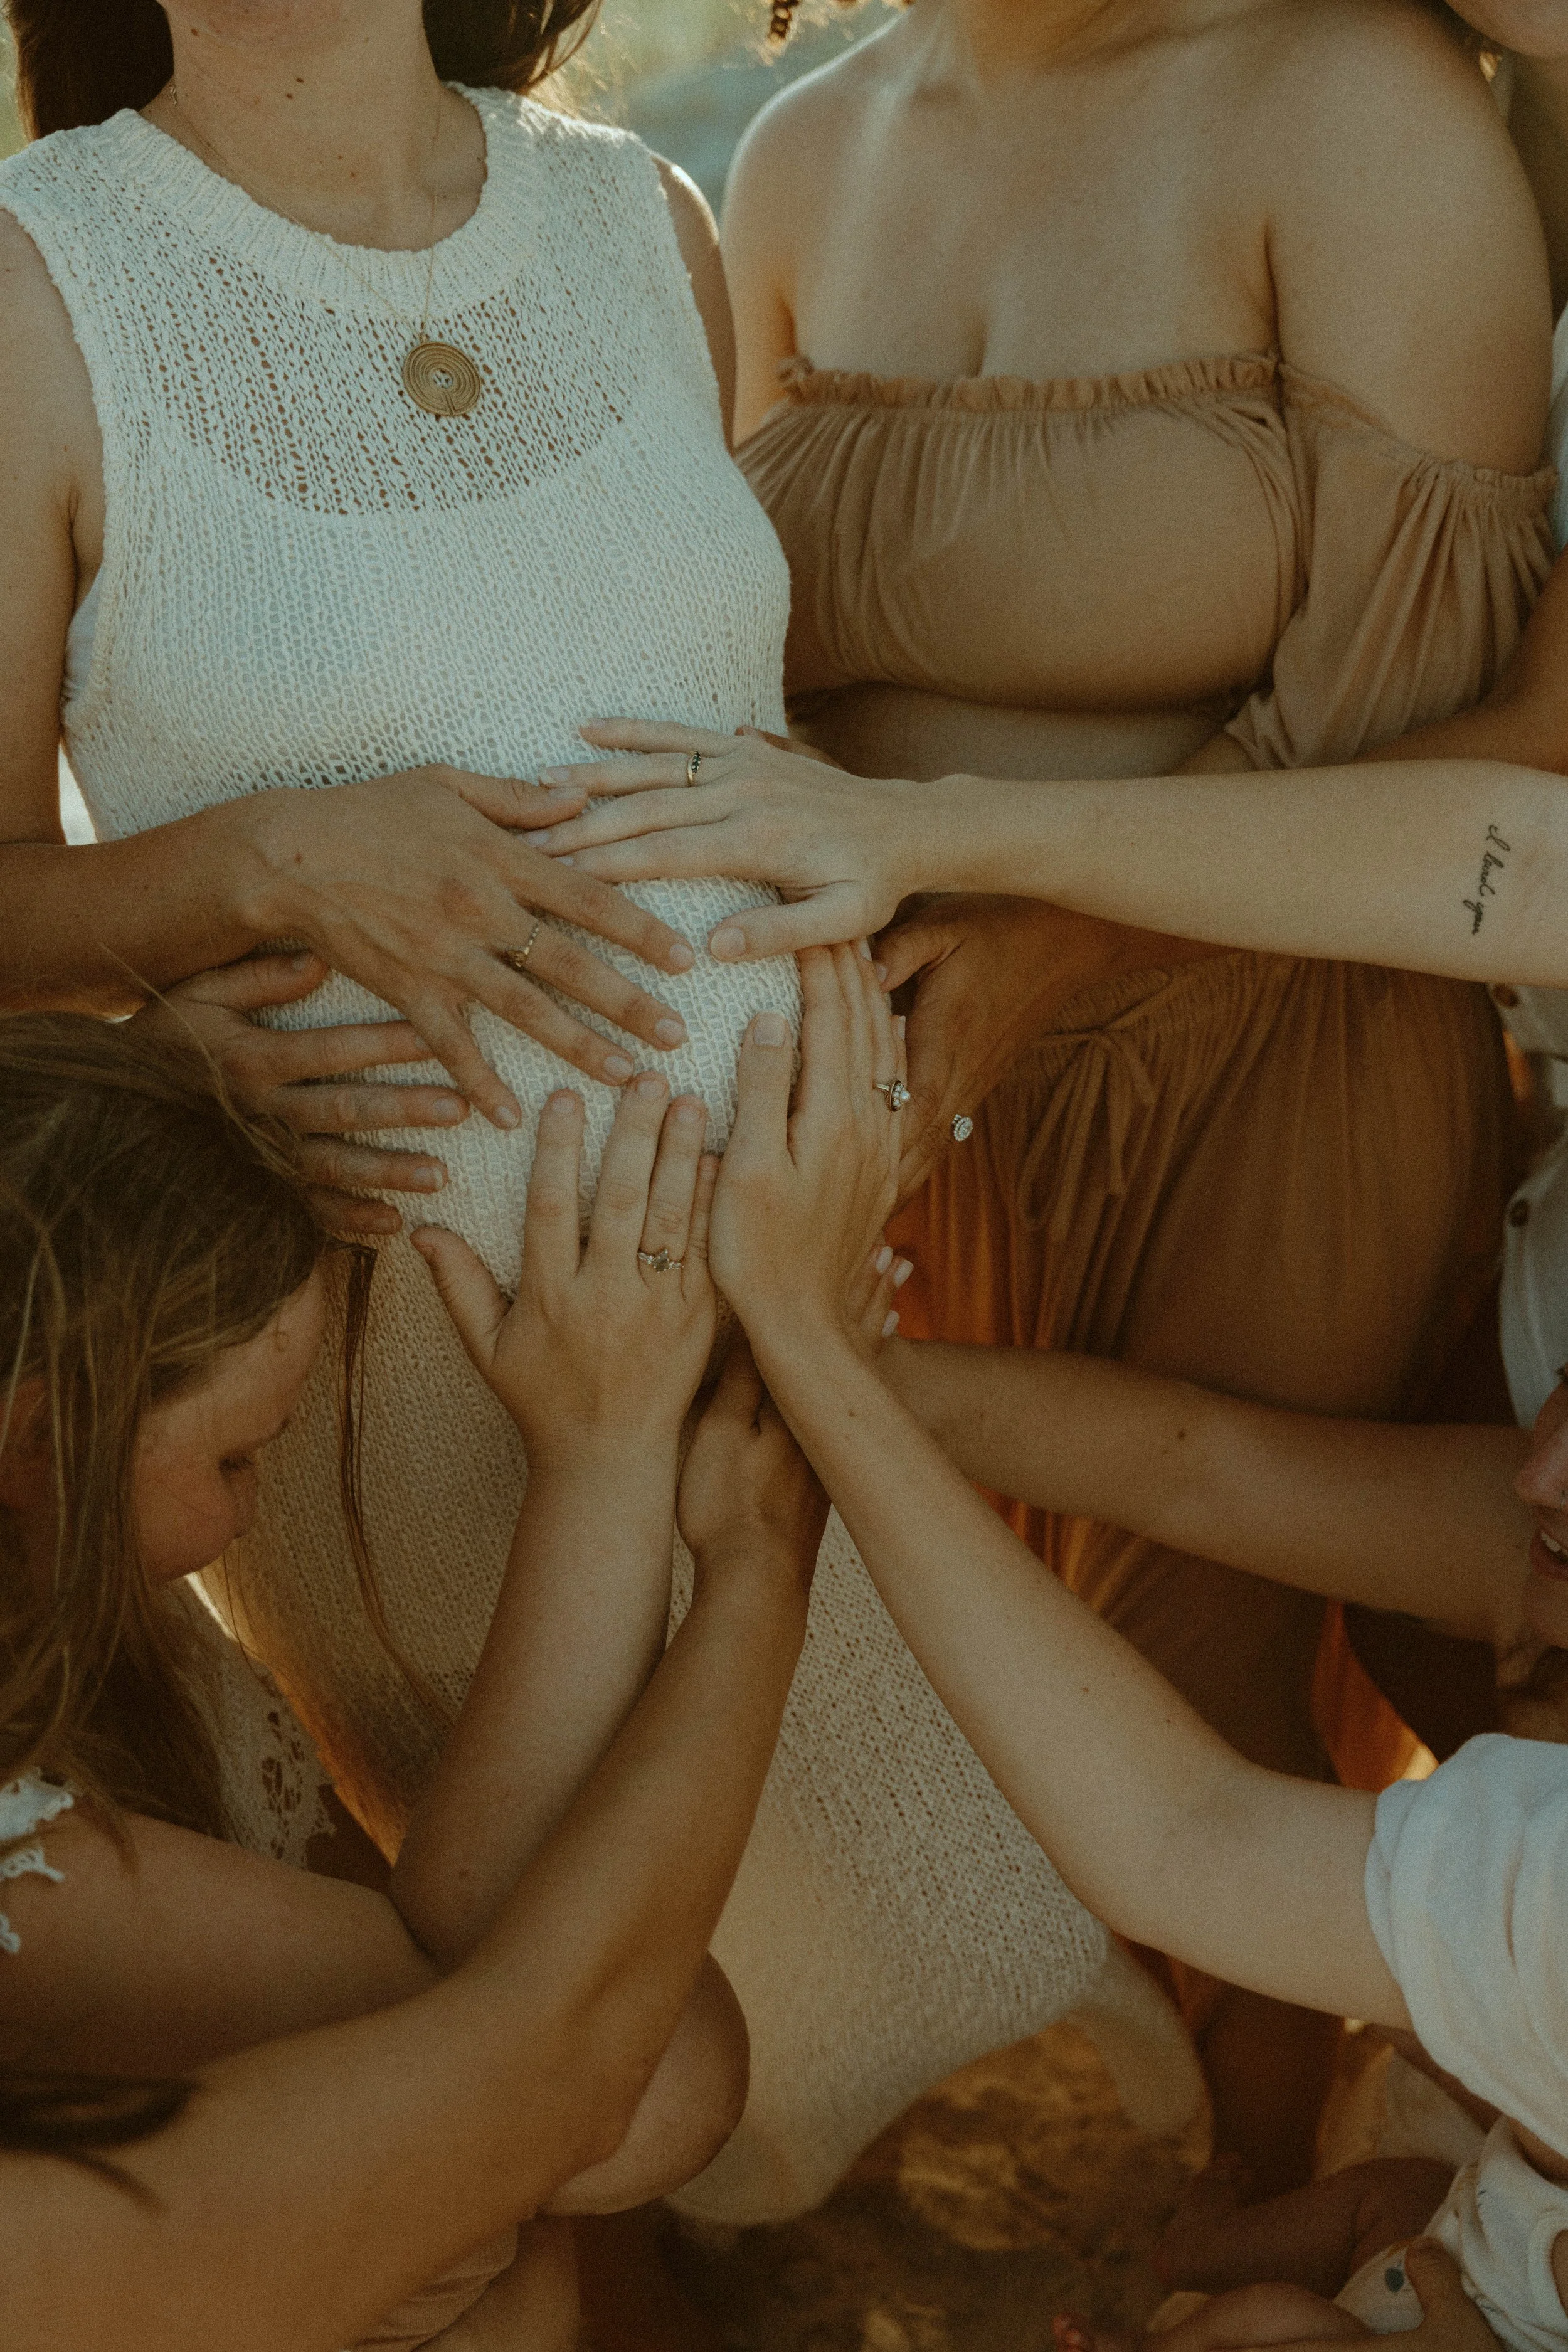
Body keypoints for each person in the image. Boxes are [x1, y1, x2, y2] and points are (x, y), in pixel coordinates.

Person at [0, 0, 1197, 2242]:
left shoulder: (637, 215)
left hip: (807, 1309)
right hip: (416, 1354)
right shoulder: (32, 279)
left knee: (1028, 2087)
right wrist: (253, 875)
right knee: (613, 2066)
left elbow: (700, 727)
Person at [531, 0, 1562, 2187]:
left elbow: (1468, 742)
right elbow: (735, 663)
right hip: (892, 1069)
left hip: (1265, 1055)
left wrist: (1044, 940)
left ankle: (1244, 2215)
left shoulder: (1353, 107)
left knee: (1190, 1682)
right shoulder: (799, 160)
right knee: (890, 1671)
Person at [704, 938, 1568, 2352]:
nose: (1534, 1469)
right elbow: (1206, 1471)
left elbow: (1181, 1838)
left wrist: (805, 1355)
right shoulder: (1540, 1535)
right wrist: (866, 1372)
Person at [0, 1004, 840, 2348]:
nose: (247, 1518)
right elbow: (618, 2077)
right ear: (41, 1436)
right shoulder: (23, 1873)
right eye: (233, 1458)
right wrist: (616, 1470)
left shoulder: (92, 1615)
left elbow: (464, 1994)